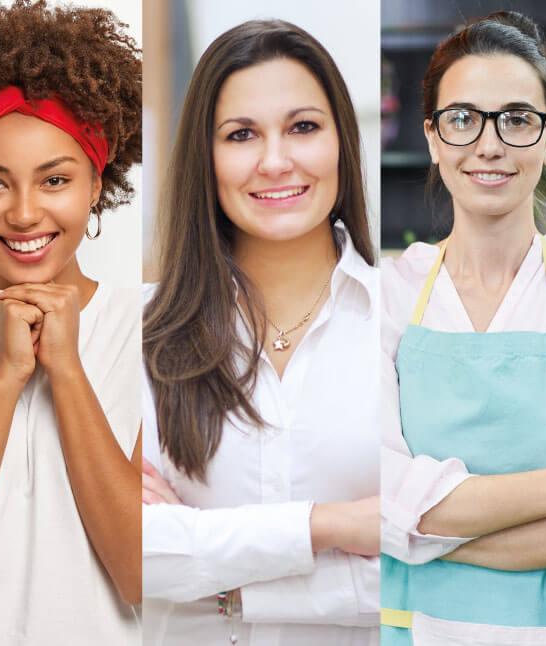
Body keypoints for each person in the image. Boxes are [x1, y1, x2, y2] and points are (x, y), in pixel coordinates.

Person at [140, 20, 381, 645]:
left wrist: (227, 579)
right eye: (241, 134)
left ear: (340, 143)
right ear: (206, 156)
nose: (276, 161)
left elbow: (443, 552)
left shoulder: (409, 320)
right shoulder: (133, 334)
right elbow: (122, 548)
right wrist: (332, 526)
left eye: (303, 127)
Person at [378, 11, 546, 645]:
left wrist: (417, 531)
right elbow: (372, 499)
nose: (489, 145)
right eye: (462, 119)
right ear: (433, 138)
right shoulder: (386, 299)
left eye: (516, 119)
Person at [0, 1, 143, 642]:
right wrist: (5, 379)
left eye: (54, 179)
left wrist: (68, 371)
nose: (24, 214)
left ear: (95, 183)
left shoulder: (158, 326)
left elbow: (143, 574)